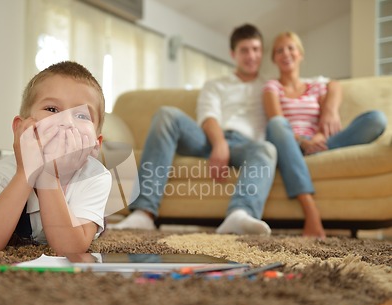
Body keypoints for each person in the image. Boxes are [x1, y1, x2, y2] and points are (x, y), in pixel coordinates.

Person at [110, 24, 276, 235]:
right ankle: (143, 213)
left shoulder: (270, 87)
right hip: (207, 140)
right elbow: (208, 116)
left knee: (267, 149)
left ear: (262, 52)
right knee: (167, 114)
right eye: (244, 50)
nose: (251, 55)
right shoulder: (216, 84)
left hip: (247, 147)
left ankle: (239, 215)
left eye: (256, 49)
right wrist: (219, 144)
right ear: (233, 54)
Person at [0, 61, 112, 254]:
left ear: (95, 144)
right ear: (21, 128)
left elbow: (70, 249)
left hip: (80, 218)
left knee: (91, 223)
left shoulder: (95, 176)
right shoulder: (2, 173)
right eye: (52, 109)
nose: (66, 122)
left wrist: (48, 175)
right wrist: (25, 173)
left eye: (82, 115)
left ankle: (96, 221)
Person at [263, 31, 387, 238]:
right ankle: (311, 212)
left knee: (376, 119)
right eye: (279, 50)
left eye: (291, 48)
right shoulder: (272, 87)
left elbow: (332, 91)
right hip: (289, 147)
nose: (286, 53)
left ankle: (312, 152)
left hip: (320, 147)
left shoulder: (315, 87)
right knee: (276, 124)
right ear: (274, 59)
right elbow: (276, 121)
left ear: (300, 54)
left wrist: (321, 135)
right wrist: (302, 142)